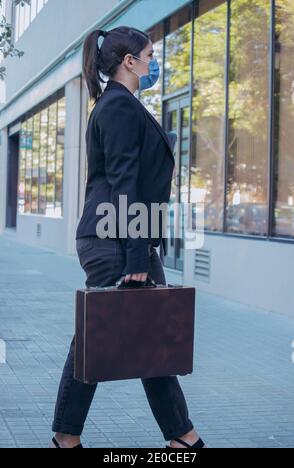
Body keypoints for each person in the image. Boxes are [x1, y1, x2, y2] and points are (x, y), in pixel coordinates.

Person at [50, 26, 206, 450]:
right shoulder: (118, 107)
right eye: (150, 55)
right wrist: (137, 257)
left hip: (122, 236)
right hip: (115, 240)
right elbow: (124, 183)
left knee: (143, 332)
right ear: (129, 61)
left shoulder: (121, 104)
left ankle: (180, 436)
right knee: (104, 335)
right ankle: (71, 436)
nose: (154, 62)